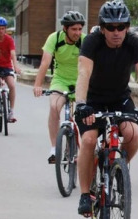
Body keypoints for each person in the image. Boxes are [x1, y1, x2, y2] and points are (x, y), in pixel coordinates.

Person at [73, 0, 138, 216]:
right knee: (89, 140)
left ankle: (118, 169)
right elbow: (83, 73)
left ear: (127, 27)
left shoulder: (134, 43)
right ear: (102, 28)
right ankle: (85, 194)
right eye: (110, 27)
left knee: (133, 134)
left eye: (121, 27)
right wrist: (81, 104)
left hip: (120, 98)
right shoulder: (92, 42)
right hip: (92, 99)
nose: (116, 32)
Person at [33, 11, 86, 163]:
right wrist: (38, 85)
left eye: (79, 29)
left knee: (86, 113)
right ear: (65, 28)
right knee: (54, 107)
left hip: (80, 81)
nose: (77, 33)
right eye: (74, 29)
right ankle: (54, 148)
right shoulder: (54, 38)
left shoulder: (85, 40)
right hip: (60, 80)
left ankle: (85, 148)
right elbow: (45, 63)